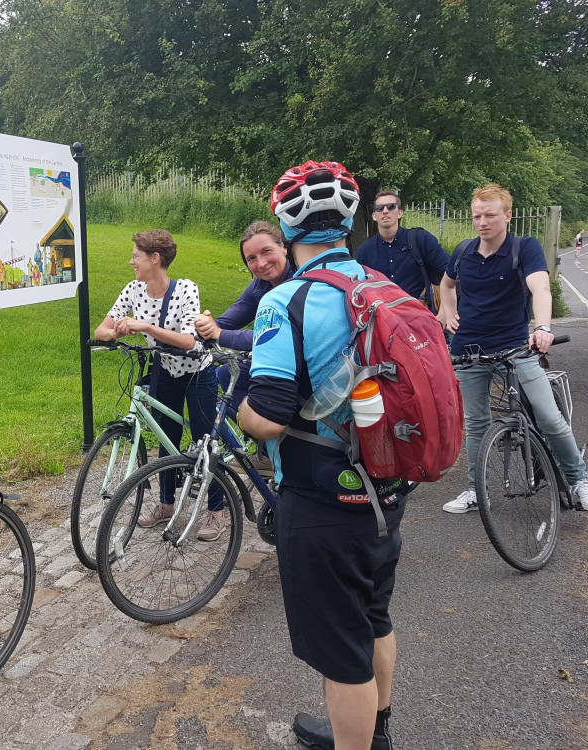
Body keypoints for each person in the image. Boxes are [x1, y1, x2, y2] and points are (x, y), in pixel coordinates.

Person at [239, 160, 406, 750]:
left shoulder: (286, 300)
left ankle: (355, 740)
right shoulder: (380, 288)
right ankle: (376, 731)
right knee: (373, 616)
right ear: (349, 219)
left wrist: (241, 415)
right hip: (386, 487)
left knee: (341, 654)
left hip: (322, 499)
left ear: (287, 227)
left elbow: (271, 411)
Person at [438, 184, 588, 514]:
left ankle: (578, 480)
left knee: (549, 418)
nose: (482, 222)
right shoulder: (463, 252)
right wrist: (448, 311)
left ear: (508, 215)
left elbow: (540, 288)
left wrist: (542, 327)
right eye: (477, 216)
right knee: (476, 425)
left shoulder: (523, 248)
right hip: (468, 351)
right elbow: (446, 284)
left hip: (514, 349)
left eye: (490, 215)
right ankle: (475, 490)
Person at [93, 229, 224, 541]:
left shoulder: (185, 289)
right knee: (167, 440)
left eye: (136, 256)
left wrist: (144, 326)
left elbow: (189, 340)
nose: (131, 261)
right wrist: (116, 333)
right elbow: (102, 328)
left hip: (196, 372)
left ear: (155, 259)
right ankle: (166, 504)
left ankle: (216, 510)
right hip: (164, 370)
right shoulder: (134, 289)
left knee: (205, 442)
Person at [194, 220, 293, 417]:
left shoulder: (298, 283)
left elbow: (267, 336)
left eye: (266, 251)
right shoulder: (260, 285)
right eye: (251, 258)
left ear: (283, 247)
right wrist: (205, 323)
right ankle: (258, 437)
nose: (261, 263)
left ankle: (275, 433)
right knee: (225, 373)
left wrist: (219, 334)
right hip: (278, 362)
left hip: (300, 367)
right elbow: (229, 319)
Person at [355, 191, 448, 314]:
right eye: (379, 208)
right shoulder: (365, 251)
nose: (385, 211)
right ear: (374, 216)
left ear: (400, 213)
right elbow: (359, 290)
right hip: (382, 320)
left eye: (391, 206)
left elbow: (449, 272)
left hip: (420, 316)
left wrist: (445, 311)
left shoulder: (421, 239)